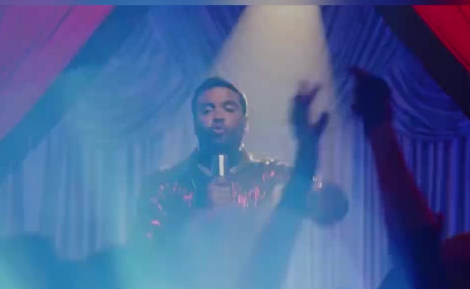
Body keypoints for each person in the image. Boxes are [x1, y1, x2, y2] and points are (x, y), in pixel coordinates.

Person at [130, 77, 348, 249]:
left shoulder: (272, 177)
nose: (218, 116)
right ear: (194, 124)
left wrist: (308, 152)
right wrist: (199, 208)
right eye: (207, 110)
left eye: (229, 108)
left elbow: (330, 206)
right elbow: (142, 254)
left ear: (246, 123)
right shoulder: (163, 184)